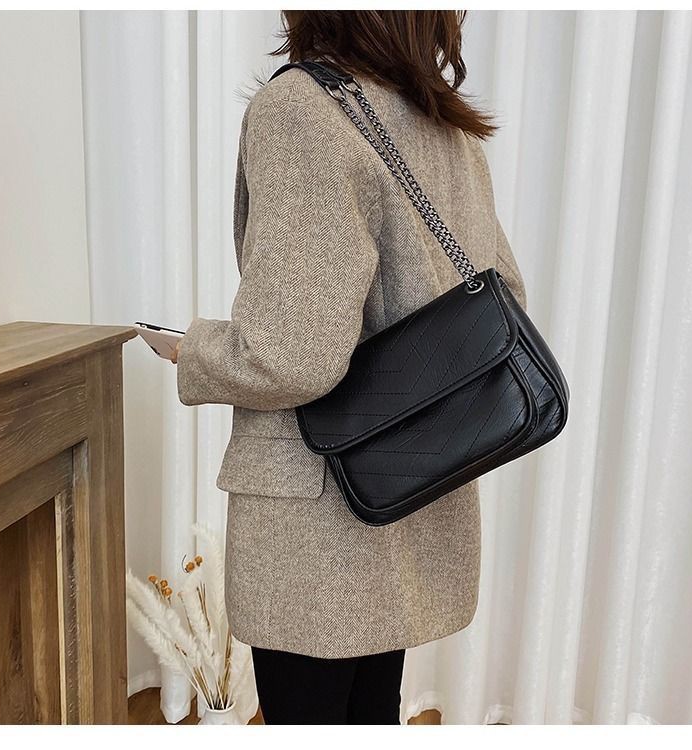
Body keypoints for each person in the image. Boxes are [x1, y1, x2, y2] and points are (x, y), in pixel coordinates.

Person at [172, 10, 526, 725]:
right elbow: (505, 303)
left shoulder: (303, 110)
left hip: (320, 526)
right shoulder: (446, 127)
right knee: (370, 714)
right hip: (416, 490)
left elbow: (292, 356)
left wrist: (193, 350)